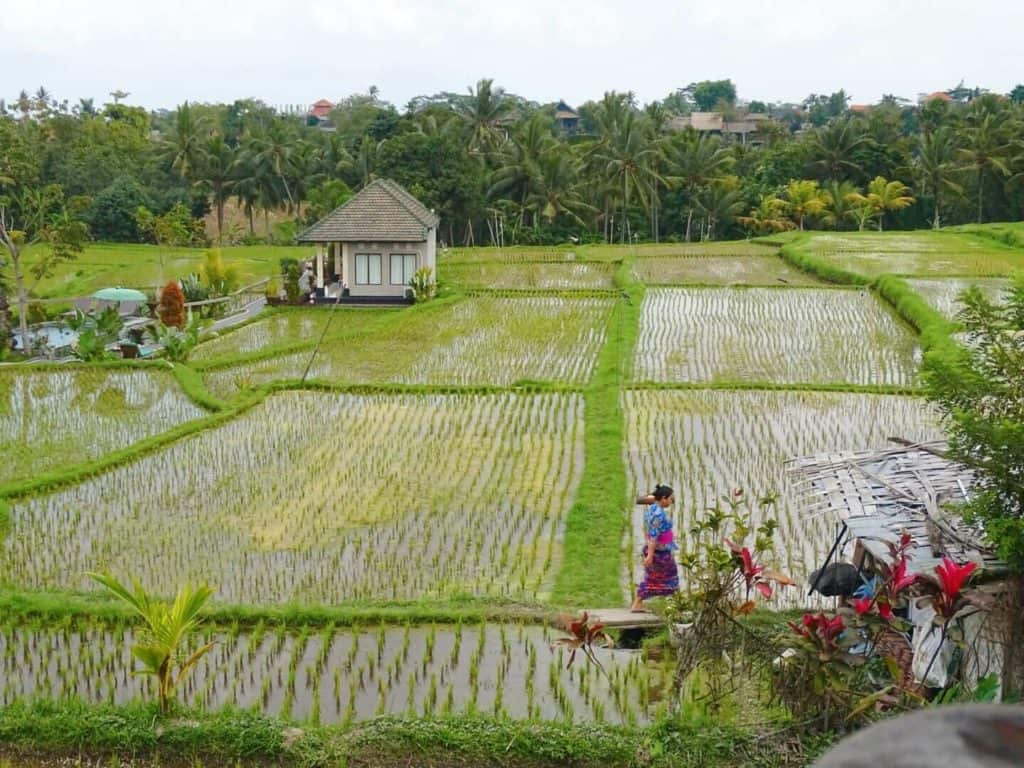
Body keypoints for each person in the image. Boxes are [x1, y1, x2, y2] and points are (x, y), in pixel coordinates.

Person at [630, 484, 679, 612]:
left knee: (666, 576)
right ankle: (638, 604)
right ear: (663, 498)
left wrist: (658, 494)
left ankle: (675, 604)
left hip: (661, 550)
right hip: (658, 553)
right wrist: (650, 555)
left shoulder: (653, 506)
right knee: (661, 577)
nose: (671, 501)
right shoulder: (657, 514)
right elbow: (653, 536)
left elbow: (652, 498)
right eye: (670, 499)